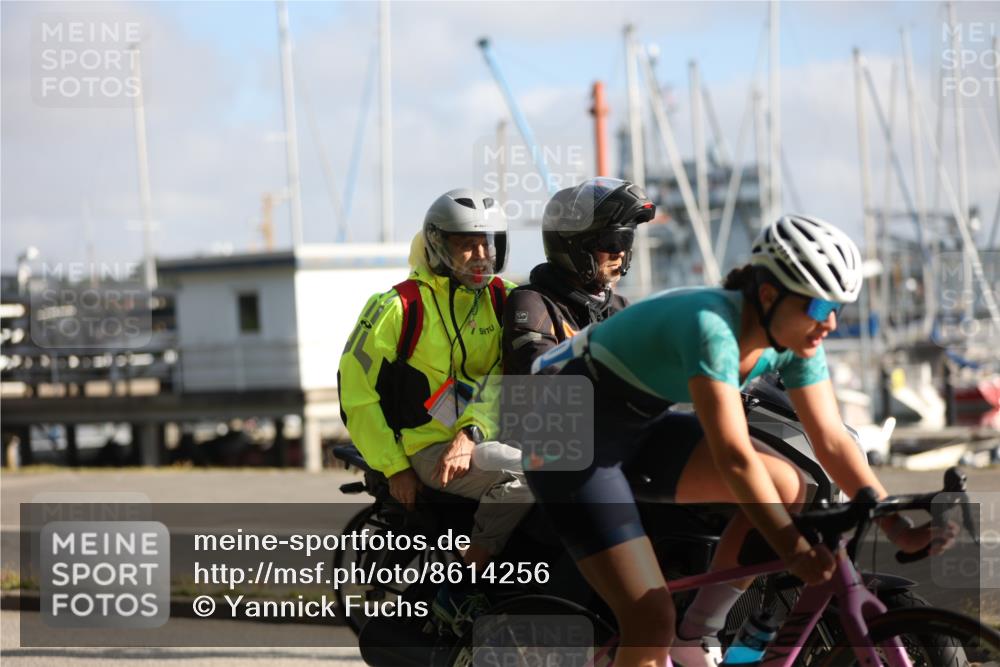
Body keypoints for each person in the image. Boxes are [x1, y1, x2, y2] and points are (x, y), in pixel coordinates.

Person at [525, 214, 953, 667]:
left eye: (837, 310)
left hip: (633, 426)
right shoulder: (712, 327)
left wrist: (895, 524)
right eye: (818, 308)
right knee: (650, 617)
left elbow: (832, 440)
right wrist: (792, 547)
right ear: (768, 295)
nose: (828, 323)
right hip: (563, 431)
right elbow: (734, 456)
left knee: (789, 485)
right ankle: (668, 634)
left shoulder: (794, 339)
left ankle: (696, 634)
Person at [337, 188, 533, 633]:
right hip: (424, 446)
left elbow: (504, 378)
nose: (481, 255)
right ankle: (460, 588)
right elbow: (357, 392)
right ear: (437, 246)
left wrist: (471, 433)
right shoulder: (397, 306)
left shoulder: (507, 298)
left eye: (489, 243)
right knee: (528, 475)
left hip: (479, 438)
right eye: (467, 244)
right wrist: (394, 467)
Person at [502, 177, 654, 376]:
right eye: (613, 241)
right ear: (574, 246)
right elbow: (547, 376)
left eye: (627, 239)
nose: (621, 253)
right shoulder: (532, 303)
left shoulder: (621, 308)